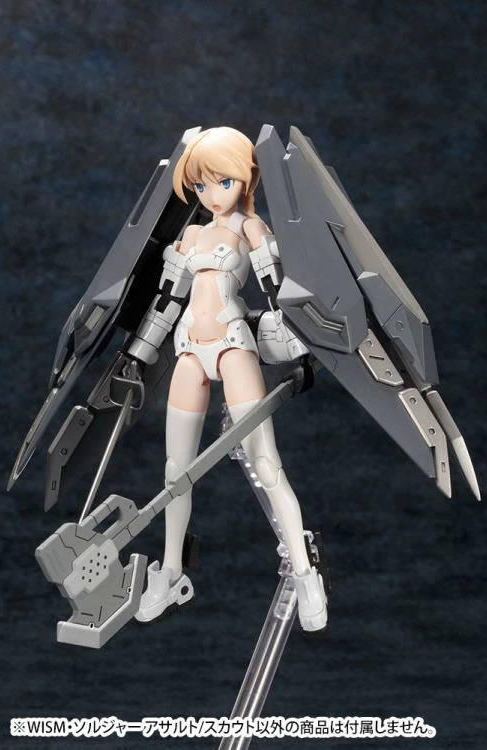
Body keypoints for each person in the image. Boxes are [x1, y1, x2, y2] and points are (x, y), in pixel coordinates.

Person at [130, 126, 327, 631]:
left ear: (245, 179)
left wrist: (304, 342)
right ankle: (170, 572)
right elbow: (167, 302)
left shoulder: (250, 229)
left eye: (223, 182)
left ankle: (306, 574)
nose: (211, 194)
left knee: (266, 463)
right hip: (189, 350)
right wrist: (139, 354)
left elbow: (278, 290)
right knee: (176, 471)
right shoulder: (192, 236)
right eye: (200, 185)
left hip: (233, 345)